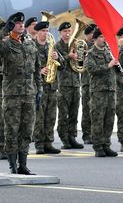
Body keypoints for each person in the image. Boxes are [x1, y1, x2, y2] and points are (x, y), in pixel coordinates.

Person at [0, 12, 41, 175]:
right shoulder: (6, 44)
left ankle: (23, 164)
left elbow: (36, 69)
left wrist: (38, 90)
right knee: (12, 130)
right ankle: (13, 165)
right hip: (12, 94)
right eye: (16, 23)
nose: (20, 25)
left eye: (21, 23)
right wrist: (4, 30)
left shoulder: (30, 44)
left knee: (27, 130)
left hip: (29, 93)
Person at [85, 28, 118, 157]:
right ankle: (98, 146)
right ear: (95, 39)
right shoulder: (91, 53)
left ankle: (106, 144)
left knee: (109, 119)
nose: (104, 39)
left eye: (105, 37)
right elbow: (91, 69)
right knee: (98, 119)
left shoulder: (109, 52)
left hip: (110, 89)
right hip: (98, 91)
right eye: (101, 37)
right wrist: (108, 66)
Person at [32, 21, 61, 155]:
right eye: (42, 31)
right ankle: (39, 144)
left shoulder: (51, 46)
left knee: (51, 116)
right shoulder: (31, 46)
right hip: (39, 87)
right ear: (37, 32)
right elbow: (26, 66)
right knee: (40, 117)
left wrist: (57, 57)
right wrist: (39, 70)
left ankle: (48, 142)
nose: (45, 33)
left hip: (52, 86)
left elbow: (63, 65)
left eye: (46, 30)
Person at [55, 22, 83, 150]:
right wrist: (68, 56)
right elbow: (58, 64)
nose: (68, 34)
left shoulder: (76, 45)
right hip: (64, 85)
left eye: (69, 31)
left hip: (76, 84)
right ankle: (64, 138)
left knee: (74, 113)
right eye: (65, 32)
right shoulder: (57, 46)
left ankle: (72, 137)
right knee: (63, 114)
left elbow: (81, 63)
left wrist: (80, 57)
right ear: (60, 33)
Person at [80, 25, 97, 144]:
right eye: (91, 33)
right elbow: (80, 63)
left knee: (96, 109)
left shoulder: (98, 44)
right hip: (86, 81)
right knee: (87, 108)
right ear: (86, 35)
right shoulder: (82, 45)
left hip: (97, 82)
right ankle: (86, 134)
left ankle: (95, 132)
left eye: (94, 33)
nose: (93, 36)